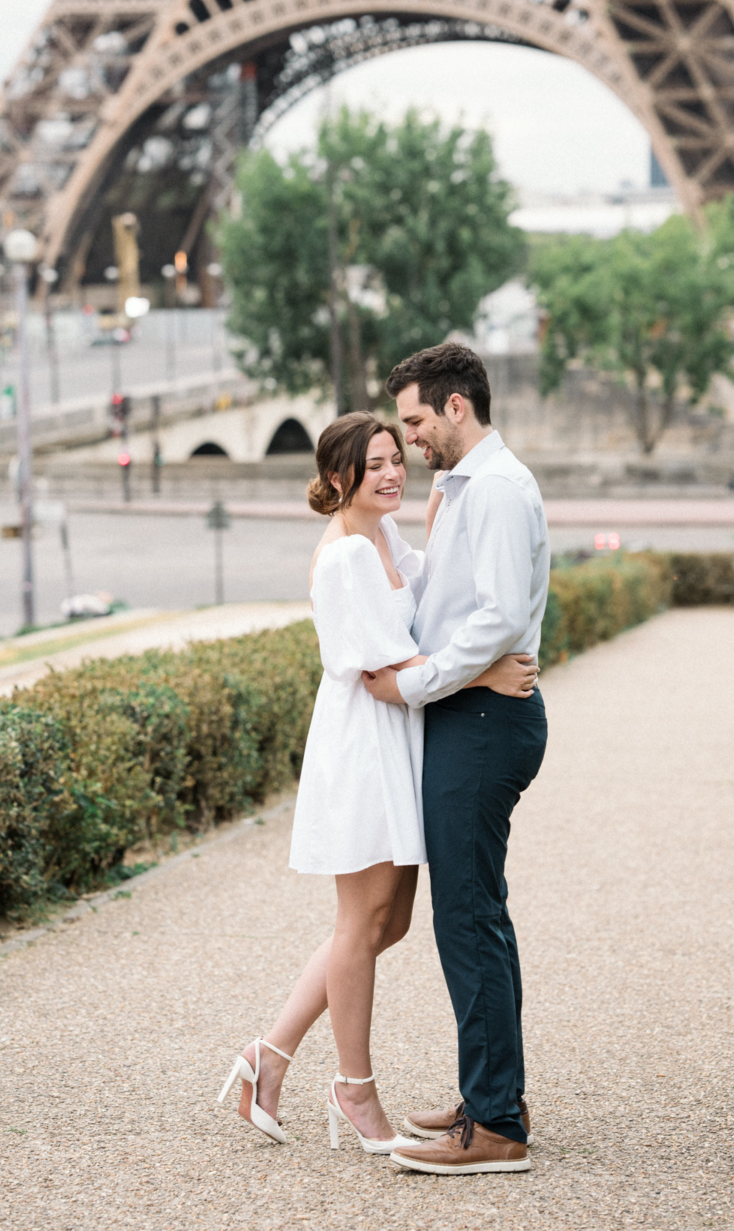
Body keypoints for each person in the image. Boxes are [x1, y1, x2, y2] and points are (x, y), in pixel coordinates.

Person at [218, 410, 537, 1155]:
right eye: (376, 464)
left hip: (399, 740)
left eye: (399, 458)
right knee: (361, 926)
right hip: (364, 745)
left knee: (385, 924)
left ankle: (269, 1053)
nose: (394, 472)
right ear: (339, 479)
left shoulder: (383, 537)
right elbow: (385, 672)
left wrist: (437, 510)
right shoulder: (343, 561)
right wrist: (489, 669)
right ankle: (353, 1088)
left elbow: (431, 606)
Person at [364, 342, 550, 1176]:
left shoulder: (499, 490)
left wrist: (418, 683)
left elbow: (500, 616)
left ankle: (497, 1127)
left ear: (455, 408)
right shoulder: (466, 489)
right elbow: (458, 605)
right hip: (475, 708)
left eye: (414, 421)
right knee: (478, 918)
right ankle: (491, 1097)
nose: (409, 440)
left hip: (480, 719)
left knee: (468, 921)